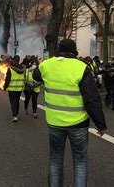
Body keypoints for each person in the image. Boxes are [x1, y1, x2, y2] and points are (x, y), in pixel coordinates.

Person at [33, 39, 107, 187]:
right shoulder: (81, 67)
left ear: (59, 50)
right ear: (75, 51)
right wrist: (100, 124)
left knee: (55, 160)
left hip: (54, 122)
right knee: (80, 162)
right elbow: (92, 99)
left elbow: (36, 76)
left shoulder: (46, 65)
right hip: (78, 123)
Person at [3, 55, 26, 122]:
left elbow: (7, 79)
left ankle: (15, 115)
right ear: (19, 60)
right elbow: (24, 78)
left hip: (12, 88)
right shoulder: (23, 69)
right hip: (19, 88)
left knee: (13, 102)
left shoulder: (10, 69)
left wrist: (5, 87)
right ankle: (16, 114)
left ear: (13, 60)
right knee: (17, 101)